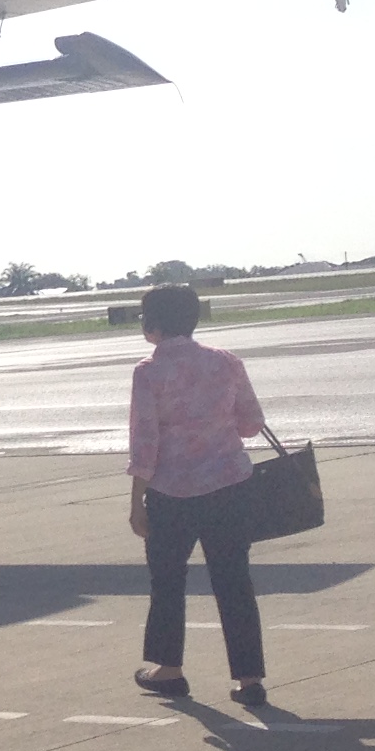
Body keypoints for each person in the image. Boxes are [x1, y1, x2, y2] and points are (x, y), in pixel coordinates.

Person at [127, 280, 270, 711]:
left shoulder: (148, 372)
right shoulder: (225, 361)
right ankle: (249, 679)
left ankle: (169, 669)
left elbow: (145, 442)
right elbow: (252, 423)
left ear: (153, 323)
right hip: (229, 485)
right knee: (234, 581)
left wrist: (136, 502)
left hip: (171, 491)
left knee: (167, 581)